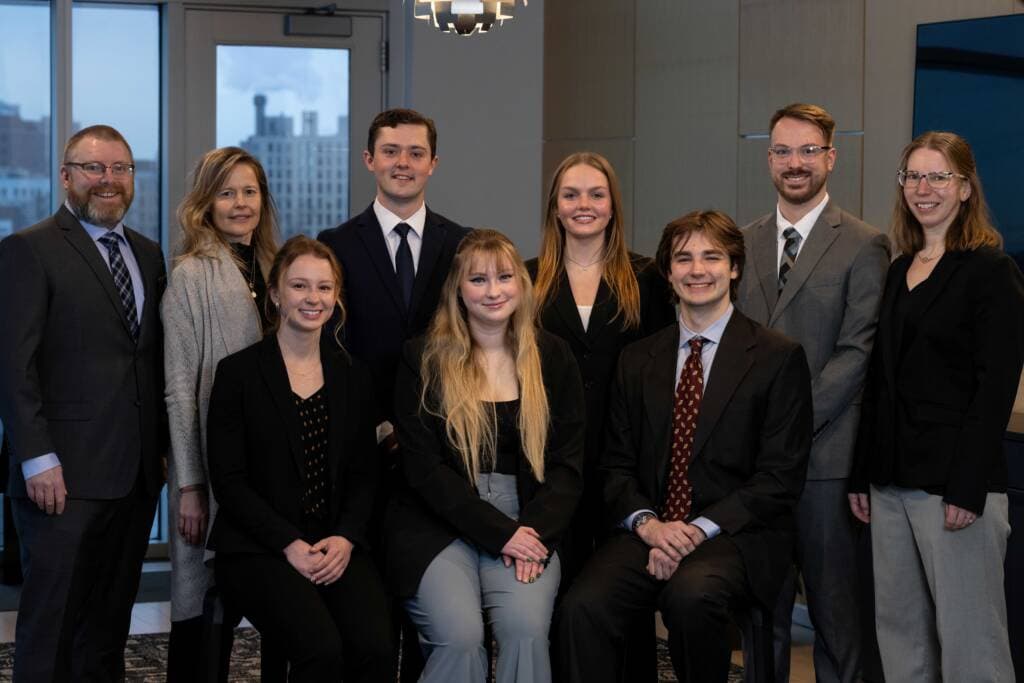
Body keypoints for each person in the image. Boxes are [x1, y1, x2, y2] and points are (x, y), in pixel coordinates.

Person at [556, 210, 813, 683]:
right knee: (582, 605)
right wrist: (652, 527)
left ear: (734, 267)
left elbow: (779, 478)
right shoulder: (637, 359)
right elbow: (615, 465)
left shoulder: (777, 358)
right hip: (649, 528)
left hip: (734, 535)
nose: (697, 270)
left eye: (712, 257)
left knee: (691, 597)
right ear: (669, 273)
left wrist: (693, 532)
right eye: (684, 259)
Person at [849, 131, 1024, 682]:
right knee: (901, 639)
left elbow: (995, 387)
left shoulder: (991, 272)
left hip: (953, 490)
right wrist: (861, 473)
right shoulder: (901, 269)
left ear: (966, 188)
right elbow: (879, 382)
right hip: (890, 483)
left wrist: (967, 489)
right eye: (913, 177)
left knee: (971, 643)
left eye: (938, 177)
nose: (923, 189)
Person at [0, 124, 168, 680]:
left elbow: (147, 360)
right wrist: (37, 458)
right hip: (61, 479)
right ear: (67, 175)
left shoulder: (148, 255)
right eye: (94, 168)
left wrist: (162, 451)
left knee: (106, 626)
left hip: (134, 476)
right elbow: (12, 365)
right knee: (51, 626)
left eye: (121, 169)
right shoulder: (29, 249)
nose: (108, 180)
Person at [385, 229, 585, 683]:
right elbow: (423, 469)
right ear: (458, 288)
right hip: (437, 523)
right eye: (478, 280)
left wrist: (533, 534)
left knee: (526, 630)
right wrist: (502, 535)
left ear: (522, 284)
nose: (493, 291)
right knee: (460, 637)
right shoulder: (423, 358)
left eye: (504, 277)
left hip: (529, 520)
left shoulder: (554, 358)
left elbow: (566, 466)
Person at [734, 102, 890, 683]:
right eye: (782, 151)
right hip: (752, 471)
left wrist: (788, 427)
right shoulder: (741, 242)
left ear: (831, 156)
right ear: (768, 158)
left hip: (825, 464)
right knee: (760, 615)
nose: (794, 163)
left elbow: (856, 353)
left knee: (836, 618)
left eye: (807, 150)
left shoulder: (864, 244)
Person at [206, 235, 396, 682]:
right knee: (320, 650)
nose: (313, 298)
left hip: (334, 542)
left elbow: (363, 475)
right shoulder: (238, 374)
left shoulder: (352, 375)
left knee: (376, 647)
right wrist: (288, 544)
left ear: (336, 298)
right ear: (275, 293)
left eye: (324, 288)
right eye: (300, 286)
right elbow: (229, 480)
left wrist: (346, 538)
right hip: (260, 546)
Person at [527, 151, 674, 584]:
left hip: (626, 459)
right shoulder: (525, 279)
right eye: (570, 195)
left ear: (612, 206)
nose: (583, 205)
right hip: (551, 458)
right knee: (558, 584)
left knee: (621, 589)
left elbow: (663, 371)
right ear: (555, 207)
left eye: (596, 194)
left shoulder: (647, 278)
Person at [161, 146, 278, 681]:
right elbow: (179, 388)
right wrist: (189, 486)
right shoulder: (190, 275)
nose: (239, 204)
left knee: (276, 600)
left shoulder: (278, 268)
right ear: (206, 203)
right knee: (204, 599)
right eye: (226, 193)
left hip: (272, 469)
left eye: (249, 192)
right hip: (212, 466)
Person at [318, 108, 470, 434]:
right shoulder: (335, 245)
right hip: (362, 429)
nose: (403, 163)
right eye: (390, 152)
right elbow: (332, 345)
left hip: (445, 426)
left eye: (416, 153)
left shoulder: (462, 244)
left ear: (433, 164)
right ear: (369, 159)